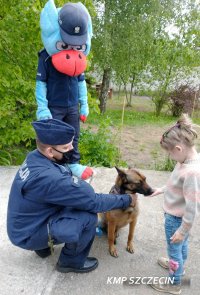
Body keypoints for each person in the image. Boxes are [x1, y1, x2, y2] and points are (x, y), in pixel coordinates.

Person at [7, 119, 137, 273]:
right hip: (27, 234)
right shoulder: (50, 178)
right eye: (65, 147)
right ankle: (71, 262)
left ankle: (42, 248)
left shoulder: (35, 157)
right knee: (88, 217)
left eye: (71, 144)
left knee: (71, 203)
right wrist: (126, 199)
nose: (71, 149)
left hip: (25, 225)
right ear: (50, 151)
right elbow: (93, 201)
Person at [36, 1, 93, 180]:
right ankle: (49, 167)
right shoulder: (46, 57)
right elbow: (41, 84)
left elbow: (81, 82)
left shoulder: (78, 57)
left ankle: (73, 163)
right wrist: (42, 108)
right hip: (54, 107)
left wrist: (84, 104)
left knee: (73, 136)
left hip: (72, 106)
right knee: (52, 138)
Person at [149, 114, 200, 294]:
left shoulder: (191, 172)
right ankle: (180, 266)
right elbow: (175, 184)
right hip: (177, 219)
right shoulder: (186, 160)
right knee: (180, 245)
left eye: (170, 153)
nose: (170, 157)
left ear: (178, 148)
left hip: (176, 220)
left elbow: (193, 208)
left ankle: (175, 282)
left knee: (174, 249)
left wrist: (182, 230)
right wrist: (162, 189)